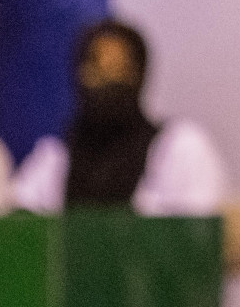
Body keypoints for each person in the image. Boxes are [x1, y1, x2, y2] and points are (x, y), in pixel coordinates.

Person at [15, 18, 227, 215]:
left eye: (118, 70)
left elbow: (196, 239)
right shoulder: (54, 158)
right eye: (95, 70)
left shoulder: (182, 147)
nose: (106, 81)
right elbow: (19, 223)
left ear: (140, 75)